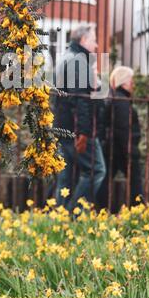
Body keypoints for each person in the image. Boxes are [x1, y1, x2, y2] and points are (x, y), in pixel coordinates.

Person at [54, 24, 106, 211]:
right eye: (94, 40)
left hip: (62, 126)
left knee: (65, 176)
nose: (97, 45)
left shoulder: (65, 58)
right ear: (83, 40)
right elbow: (81, 100)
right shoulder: (79, 61)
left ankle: (58, 217)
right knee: (96, 170)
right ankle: (74, 214)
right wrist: (83, 133)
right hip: (77, 129)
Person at [97, 66, 143, 208]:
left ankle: (101, 208)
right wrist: (131, 151)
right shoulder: (122, 101)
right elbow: (123, 129)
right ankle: (137, 209)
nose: (133, 84)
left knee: (105, 179)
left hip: (113, 147)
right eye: (131, 80)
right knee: (135, 181)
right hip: (122, 149)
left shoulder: (116, 97)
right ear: (124, 82)